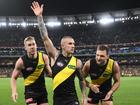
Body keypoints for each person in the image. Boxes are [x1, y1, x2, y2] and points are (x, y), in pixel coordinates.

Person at [31, 1, 86, 105]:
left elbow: (82, 80)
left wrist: (84, 96)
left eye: (74, 43)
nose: (73, 46)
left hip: (72, 99)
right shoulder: (55, 56)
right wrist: (39, 17)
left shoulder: (77, 62)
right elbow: (45, 37)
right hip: (58, 100)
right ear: (63, 46)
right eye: (70, 43)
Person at [11, 36, 52, 105]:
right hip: (30, 92)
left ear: (36, 45)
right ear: (25, 48)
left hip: (43, 91)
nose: (32, 47)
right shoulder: (21, 62)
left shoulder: (44, 57)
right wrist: (14, 91)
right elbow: (14, 78)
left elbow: (49, 73)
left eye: (33, 44)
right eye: (29, 45)